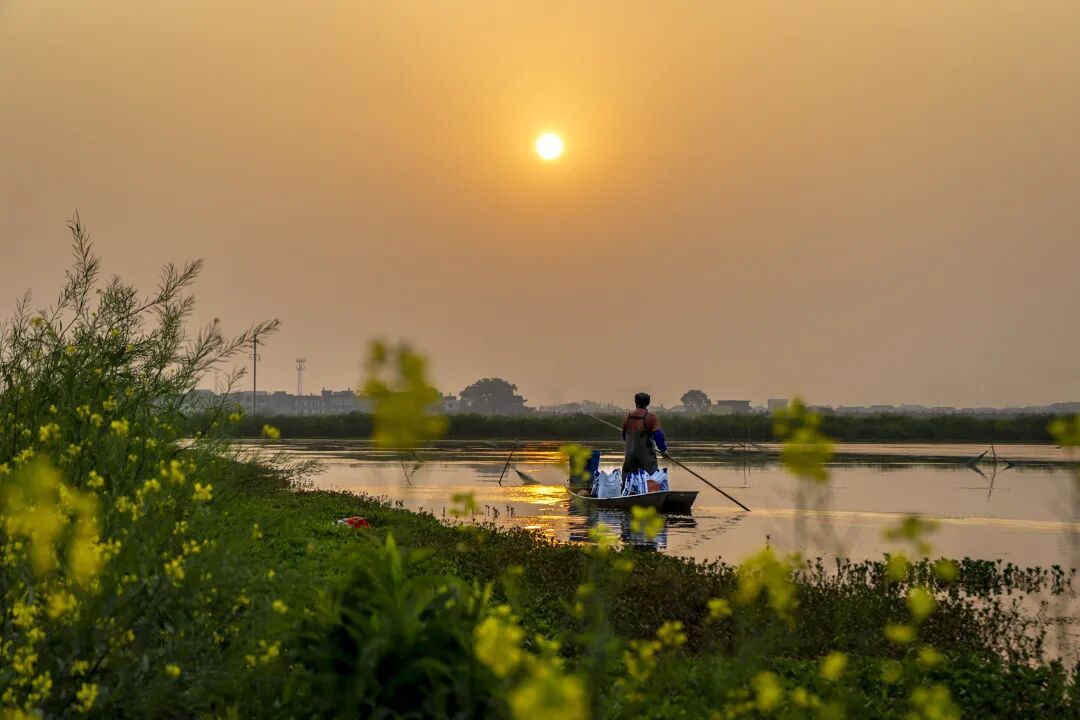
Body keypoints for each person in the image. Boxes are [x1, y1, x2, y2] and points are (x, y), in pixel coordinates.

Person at [621, 392, 667, 482]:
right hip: (646, 457)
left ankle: (627, 493)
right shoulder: (651, 417)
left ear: (635, 402)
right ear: (648, 403)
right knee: (650, 478)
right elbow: (658, 436)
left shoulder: (627, 416)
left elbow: (624, 436)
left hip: (630, 456)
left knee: (628, 478)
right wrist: (663, 450)